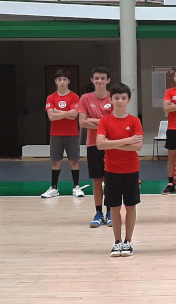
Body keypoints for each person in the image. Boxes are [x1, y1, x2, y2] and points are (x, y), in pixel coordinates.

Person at [96, 83, 143, 257]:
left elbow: (137, 146)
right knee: (114, 207)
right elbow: (101, 144)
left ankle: (128, 241)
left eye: (123, 98)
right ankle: (116, 242)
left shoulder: (134, 121)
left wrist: (113, 144)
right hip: (112, 170)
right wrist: (126, 140)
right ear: (111, 100)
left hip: (131, 170)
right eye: (116, 98)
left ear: (128, 100)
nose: (120, 101)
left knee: (130, 206)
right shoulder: (105, 121)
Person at [79, 67, 114, 227]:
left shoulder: (113, 98)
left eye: (103, 78)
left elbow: (115, 123)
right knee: (97, 180)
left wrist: (94, 120)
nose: (99, 81)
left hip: (111, 144)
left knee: (110, 180)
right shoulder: (85, 98)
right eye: (97, 78)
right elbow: (82, 122)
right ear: (92, 80)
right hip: (93, 144)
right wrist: (104, 122)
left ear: (108, 80)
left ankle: (110, 212)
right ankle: (98, 212)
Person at [42, 69, 84, 198]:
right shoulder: (51, 97)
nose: (62, 82)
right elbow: (51, 117)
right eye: (59, 79)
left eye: (64, 79)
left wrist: (57, 111)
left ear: (68, 81)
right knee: (56, 161)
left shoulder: (75, 97)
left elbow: (74, 116)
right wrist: (66, 113)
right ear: (55, 81)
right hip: (56, 134)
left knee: (74, 161)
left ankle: (76, 187)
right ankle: (54, 187)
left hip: (72, 133)